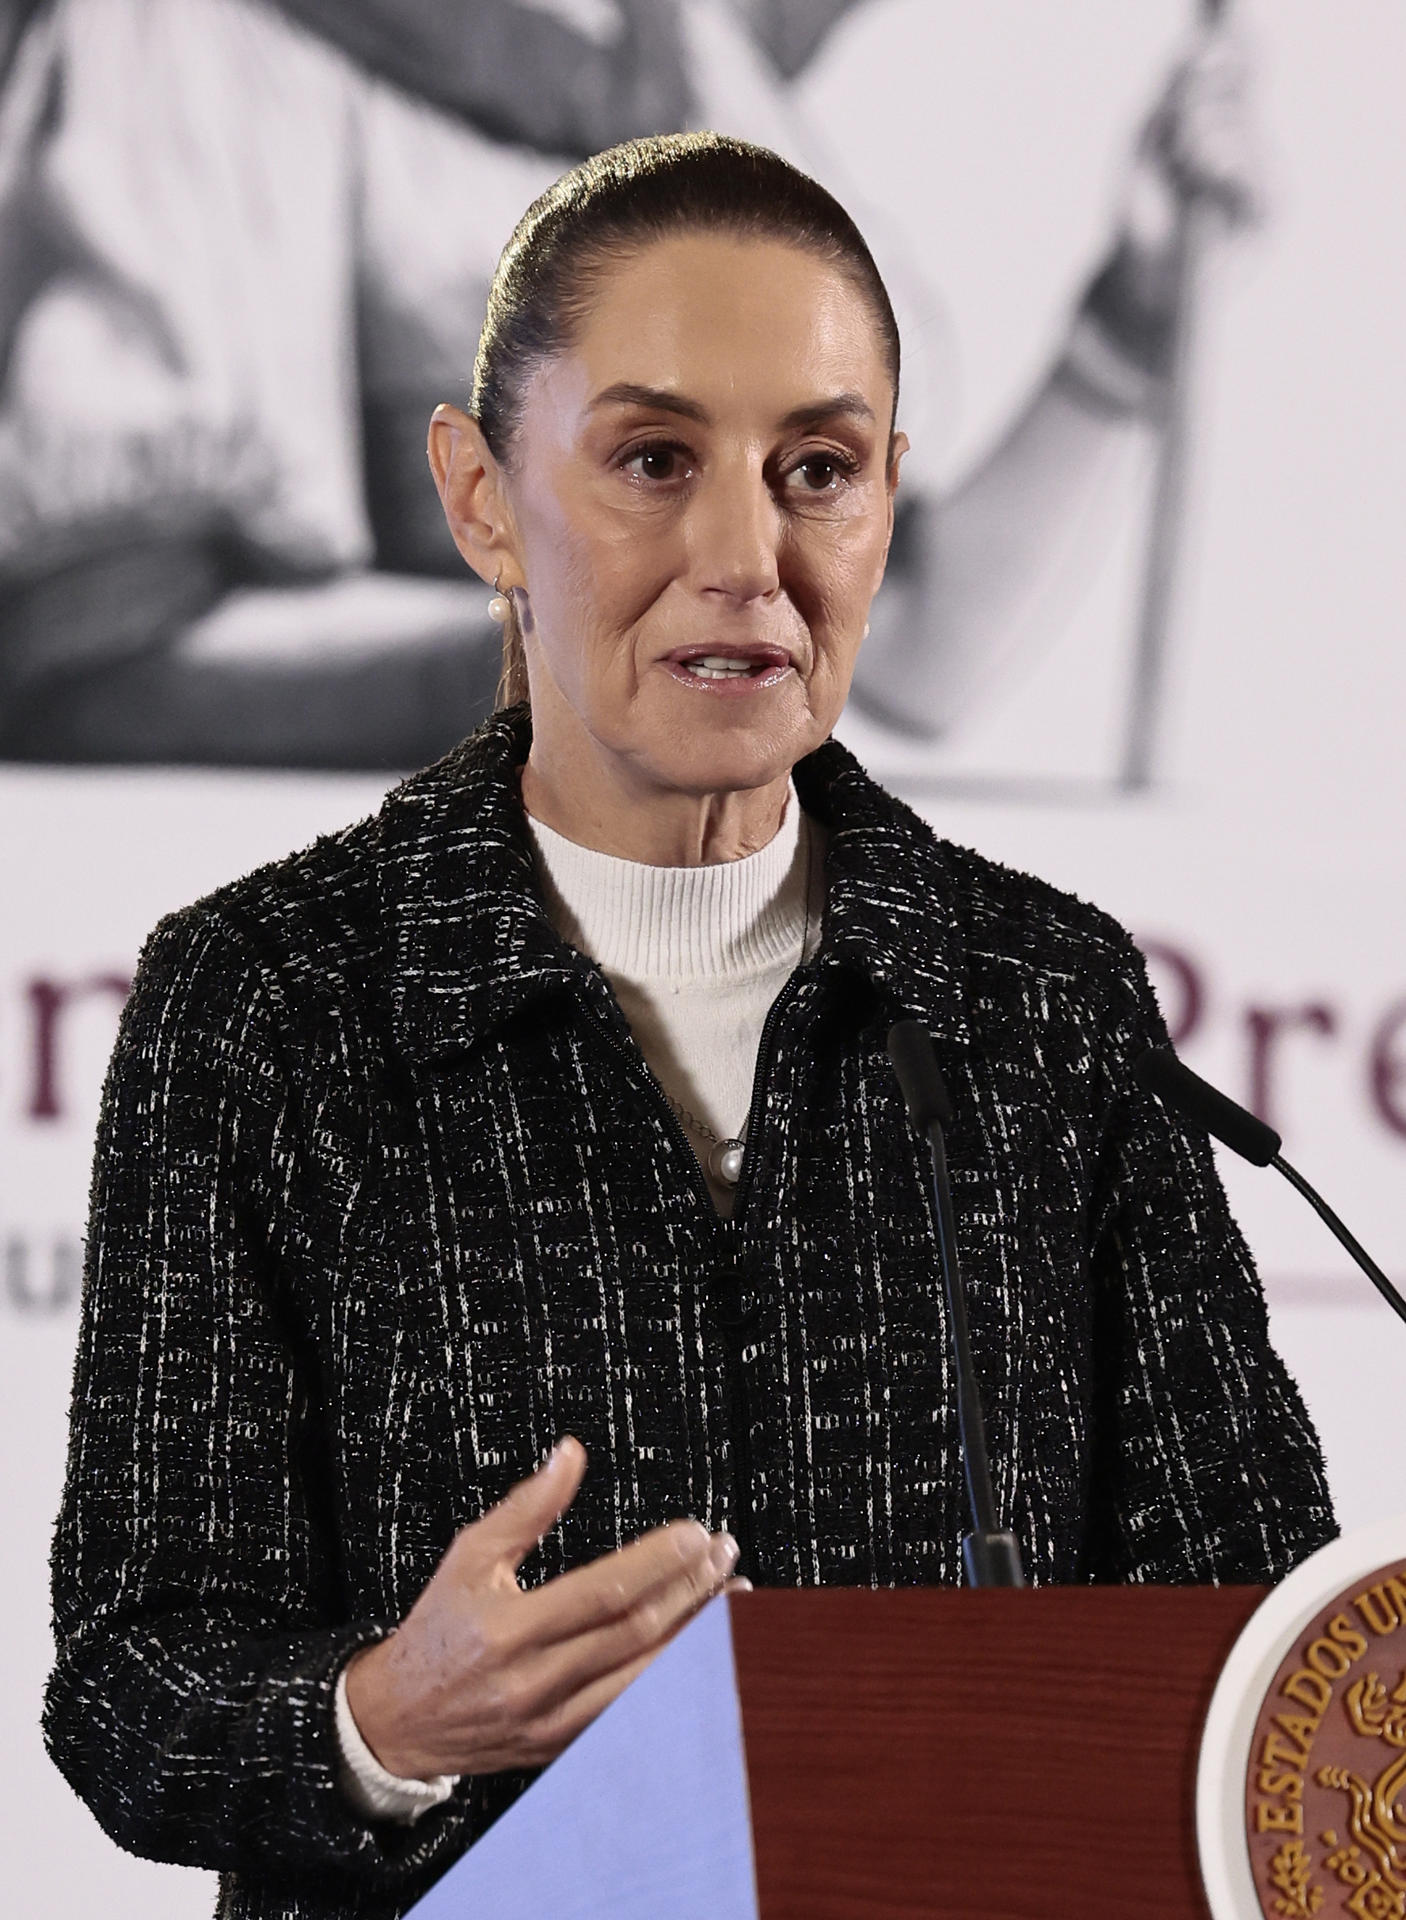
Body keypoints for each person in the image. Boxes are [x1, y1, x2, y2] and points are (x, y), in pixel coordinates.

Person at [44, 134, 1332, 1920]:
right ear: (481, 496)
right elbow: (131, 1689)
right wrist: (383, 1717)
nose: (748, 554)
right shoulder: (270, 1001)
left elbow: (1267, 1626)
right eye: (654, 460)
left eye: (820, 467)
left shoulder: (1038, 998)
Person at [0, 0, 1256, 768]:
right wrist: (581, 681)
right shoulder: (191, 30)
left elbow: (910, 651)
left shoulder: (683, 62)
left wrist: (1128, 322)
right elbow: (108, 660)